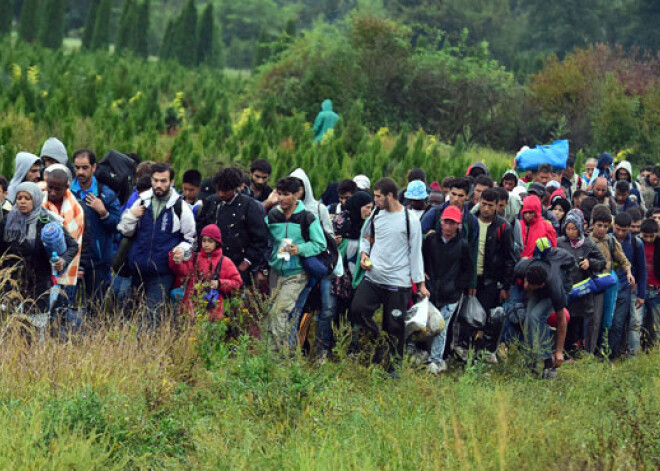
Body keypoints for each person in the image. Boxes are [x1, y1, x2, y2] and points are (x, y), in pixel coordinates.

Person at [351, 178, 428, 375]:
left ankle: (393, 368)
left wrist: (420, 284)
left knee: (394, 326)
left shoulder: (410, 221)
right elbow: (366, 237)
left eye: (378, 196)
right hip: (374, 277)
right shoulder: (376, 215)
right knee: (357, 310)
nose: (374, 200)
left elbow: (416, 253)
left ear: (390, 196)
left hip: (398, 283)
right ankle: (378, 345)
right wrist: (364, 254)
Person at [118, 163, 196, 328]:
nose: (159, 185)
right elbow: (124, 230)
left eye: (163, 181)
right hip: (137, 269)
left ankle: (145, 349)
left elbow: (190, 240)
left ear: (172, 182)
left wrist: (181, 250)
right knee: (132, 316)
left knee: (151, 317)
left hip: (161, 272)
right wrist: (132, 215)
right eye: (155, 180)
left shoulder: (180, 207)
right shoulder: (142, 201)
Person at [265, 177, 327, 351]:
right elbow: (265, 239)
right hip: (276, 271)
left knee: (280, 312)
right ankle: (274, 357)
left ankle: (283, 357)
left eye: (286, 194)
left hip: (297, 273)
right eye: (279, 194)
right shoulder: (273, 215)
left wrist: (299, 249)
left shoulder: (307, 217)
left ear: (296, 195)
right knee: (273, 314)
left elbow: (320, 244)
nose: (282, 198)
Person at [456, 188, 516, 363]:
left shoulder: (503, 227)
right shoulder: (470, 221)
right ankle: (463, 351)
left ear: (498, 206)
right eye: (483, 204)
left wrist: (505, 286)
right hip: (470, 278)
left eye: (490, 205)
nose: (486, 209)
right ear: (478, 202)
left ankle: (485, 352)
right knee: (467, 315)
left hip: (491, 280)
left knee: (489, 317)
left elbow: (509, 258)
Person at [0, 182, 78, 315]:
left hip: (38, 284)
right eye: (19, 198)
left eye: (27, 198)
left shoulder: (46, 221)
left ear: (35, 199)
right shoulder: (8, 221)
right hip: (11, 284)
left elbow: (73, 245)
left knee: (35, 327)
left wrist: (62, 261)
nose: (22, 202)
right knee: (11, 327)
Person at [422, 205, 474, 374]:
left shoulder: (463, 246)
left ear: (458, 225)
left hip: (451, 294)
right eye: (446, 222)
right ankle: (425, 354)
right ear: (441, 222)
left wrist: (457, 286)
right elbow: (421, 258)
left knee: (441, 327)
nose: (448, 227)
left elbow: (468, 270)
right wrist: (422, 275)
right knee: (427, 325)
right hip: (431, 290)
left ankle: (435, 360)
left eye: (453, 224)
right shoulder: (430, 240)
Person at [196, 167, 268, 286]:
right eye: (218, 190)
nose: (221, 194)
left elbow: (260, 238)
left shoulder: (249, 206)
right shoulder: (211, 202)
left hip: (237, 265)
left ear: (235, 188)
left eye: (225, 190)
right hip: (210, 263)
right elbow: (200, 228)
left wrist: (246, 262)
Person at [71, 149, 122, 304]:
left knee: (95, 304)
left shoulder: (105, 194)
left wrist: (103, 212)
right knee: (67, 304)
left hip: (97, 260)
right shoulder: (67, 192)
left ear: (94, 167)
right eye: (77, 167)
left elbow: (118, 225)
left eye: (85, 167)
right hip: (71, 258)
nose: (80, 172)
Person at [169, 224, 242, 321]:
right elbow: (182, 271)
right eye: (204, 240)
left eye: (210, 241)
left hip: (214, 312)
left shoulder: (225, 262)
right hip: (191, 309)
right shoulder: (194, 258)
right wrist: (176, 261)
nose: (206, 244)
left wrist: (219, 283)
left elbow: (237, 283)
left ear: (217, 243)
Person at [557, 209, 606, 353]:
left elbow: (602, 261)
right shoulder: (560, 242)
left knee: (578, 321)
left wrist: (589, 263)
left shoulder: (588, 244)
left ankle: (576, 350)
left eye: (574, 229)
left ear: (580, 228)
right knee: (565, 320)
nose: (570, 232)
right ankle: (563, 350)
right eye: (568, 228)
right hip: (565, 288)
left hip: (582, 291)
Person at [513, 255, 569, 379]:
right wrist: (527, 283)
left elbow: (562, 321)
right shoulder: (522, 268)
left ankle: (547, 361)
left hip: (560, 288)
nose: (526, 287)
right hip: (538, 283)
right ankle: (530, 362)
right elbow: (522, 261)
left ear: (541, 285)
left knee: (536, 316)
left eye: (530, 286)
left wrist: (559, 351)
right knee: (528, 319)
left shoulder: (555, 288)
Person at [421, 178, 478, 294]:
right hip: (433, 274)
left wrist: (471, 283)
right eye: (453, 194)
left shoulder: (471, 221)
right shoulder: (434, 213)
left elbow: (473, 251)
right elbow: (417, 237)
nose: (456, 199)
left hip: (456, 277)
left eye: (460, 195)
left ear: (467, 197)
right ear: (448, 193)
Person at [589, 204, 633, 352]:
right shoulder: (586, 241)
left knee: (607, 319)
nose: (602, 229)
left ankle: (603, 351)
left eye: (605, 226)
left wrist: (628, 272)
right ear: (592, 223)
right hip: (592, 285)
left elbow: (624, 260)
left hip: (608, 285)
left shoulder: (611, 241)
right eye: (599, 225)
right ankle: (589, 351)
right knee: (592, 320)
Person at [42, 167, 85, 303]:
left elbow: (77, 242)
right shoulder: (38, 204)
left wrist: (67, 262)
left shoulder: (76, 210)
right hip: (41, 268)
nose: (52, 192)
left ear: (67, 187)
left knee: (61, 313)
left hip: (67, 268)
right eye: (50, 188)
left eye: (57, 189)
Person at [610, 212, 646, 358]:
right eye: (617, 229)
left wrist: (641, 295)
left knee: (619, 324)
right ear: (613, 226)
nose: (620, 233)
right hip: (608, 288)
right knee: (606, 323)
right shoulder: (608, 239)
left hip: (626, 289)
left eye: (624, 230)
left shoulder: (636, 244)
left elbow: (642, 270)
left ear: (630, 228)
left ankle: (613, 355)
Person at [640, 219, 660, 350]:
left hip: (656, 289)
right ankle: (642, 348)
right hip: (641, 289)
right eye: (645, 236)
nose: (647, 239)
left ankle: (654, 349)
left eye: (651, 236)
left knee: (656, 323)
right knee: (638, 323)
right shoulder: (638, 244)